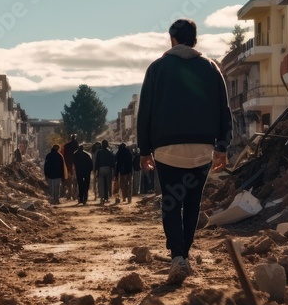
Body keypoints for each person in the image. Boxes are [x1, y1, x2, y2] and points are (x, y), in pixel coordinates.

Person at [137, 19, 232, 286]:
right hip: (202, 148)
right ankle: (185, 255)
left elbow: (145, 112)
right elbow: (223, 109)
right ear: (195, 39)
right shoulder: (211, 68)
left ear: (172, 39)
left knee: (171, 202)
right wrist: (222, 146)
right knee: (192, 203)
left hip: (166, 149)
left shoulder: (157, 68)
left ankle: (177, 256)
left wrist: (144, 150)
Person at [93, 139, 115, 205]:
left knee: (101, 184)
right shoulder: (109, 152)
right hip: (108, 168)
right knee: (107, 184)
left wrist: (96, 170)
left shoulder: (99, 152)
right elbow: (113, 162)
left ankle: (102, 198)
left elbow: (97, 162)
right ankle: (107, 197)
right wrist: (113, 170)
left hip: (101, 169)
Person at [63, 134, 79, 201]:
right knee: (75, 181)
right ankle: (75, 195)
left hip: (68, 165)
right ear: (75, 138)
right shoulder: (76, 144)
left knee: (69, 180)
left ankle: (68, 195)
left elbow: (64, 155)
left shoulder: (66, 145)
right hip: (75, 165)